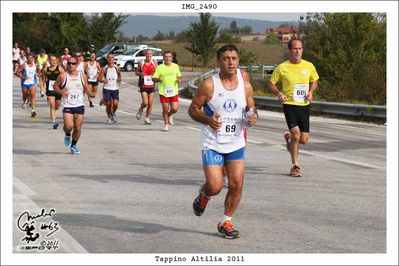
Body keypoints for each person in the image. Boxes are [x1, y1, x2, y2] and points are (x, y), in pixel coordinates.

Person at [188, 44, 257, 239]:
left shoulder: (245, 85)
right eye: (226, 59)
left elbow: (252, 109)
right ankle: (204, 194)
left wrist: (253, 117)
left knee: (237, 184)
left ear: (238, 61)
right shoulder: (210, 84)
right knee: (216, 186)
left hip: (235, 142)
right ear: (219, 62)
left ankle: (226, 221)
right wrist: (208, 120)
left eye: (234, 58)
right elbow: (193, 109)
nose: (231, 62)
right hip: (213, 143)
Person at [268, 39, 319, 177]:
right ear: (289, 50)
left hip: (304, 105)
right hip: (289, 105)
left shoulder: (309, 66)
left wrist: (311, 92)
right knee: (296, 134)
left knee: (303, 140)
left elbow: (314, 81)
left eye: (300, 48)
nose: (297, 51)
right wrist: (279, 93)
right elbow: (271, 83)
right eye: (295, 48)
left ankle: (289, 141)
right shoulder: (282, 67)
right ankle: (295, 166)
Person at [53, 56, 93, 154]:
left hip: (79, 104)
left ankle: (74, 145)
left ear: (76, 64)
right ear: (67, 65)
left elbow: (86, 87)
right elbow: (55, 87)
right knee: (69, 126)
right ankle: (67, 134)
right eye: (69, 63)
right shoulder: (63, 76)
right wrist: (62, 92)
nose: (71, 65)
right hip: (68, 105)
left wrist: (91, 94)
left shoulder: (82, 76)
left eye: (73, 63)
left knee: (78, 127)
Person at [152, 51, 182, 131]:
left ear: (172, 58)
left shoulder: (175, 66)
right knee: (165, 108)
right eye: (166, 57)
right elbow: (153, 78)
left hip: (173, 91)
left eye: (169, 57)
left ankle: (168, 114)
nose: (167, 58)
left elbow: (179, 76)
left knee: (175, 109)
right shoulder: (160, 67)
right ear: (163, 58)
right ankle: (166, 124)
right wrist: (158, 79)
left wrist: (179, 80)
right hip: (163, 91)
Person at [135, 49, 158, 125]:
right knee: (145, 103)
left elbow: (157, 73)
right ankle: (141, 109)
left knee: (150, 104)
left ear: (152, 55)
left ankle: (147, 119)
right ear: (145, 54)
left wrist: (155, 74)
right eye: (147, 54)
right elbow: (136, 72)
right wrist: (141, 74)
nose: (148, 55)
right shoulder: (141, 63)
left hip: (151, 84)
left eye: (150, 54)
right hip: (143, 84)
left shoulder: (154, 62)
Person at [42, 55, 64, 129]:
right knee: (52, 105)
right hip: (50, 89)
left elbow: (64, 78)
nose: (54, 61)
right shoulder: (46, 69)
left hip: (58, 89)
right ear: (49, 61)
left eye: (55, 60)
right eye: (52, 60)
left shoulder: (60, 69)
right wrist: (44, 80)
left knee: (57, 106)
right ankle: (54, 122)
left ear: (57, 61)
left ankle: (54, 110)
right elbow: (44, 77)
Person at [99, 53, 121, 124]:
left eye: (112, 58)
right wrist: (103, 80)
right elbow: (99, 79)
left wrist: (119, 80)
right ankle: (109, 117)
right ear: (107, 59)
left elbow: (119, 76)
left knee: (115, 104)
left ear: (114, 59)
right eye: (109, 58)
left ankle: (113, 113)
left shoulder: (117, 68)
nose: (110, 59)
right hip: (107, 88)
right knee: (108, 104)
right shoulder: (104, 68)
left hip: (115, 88)